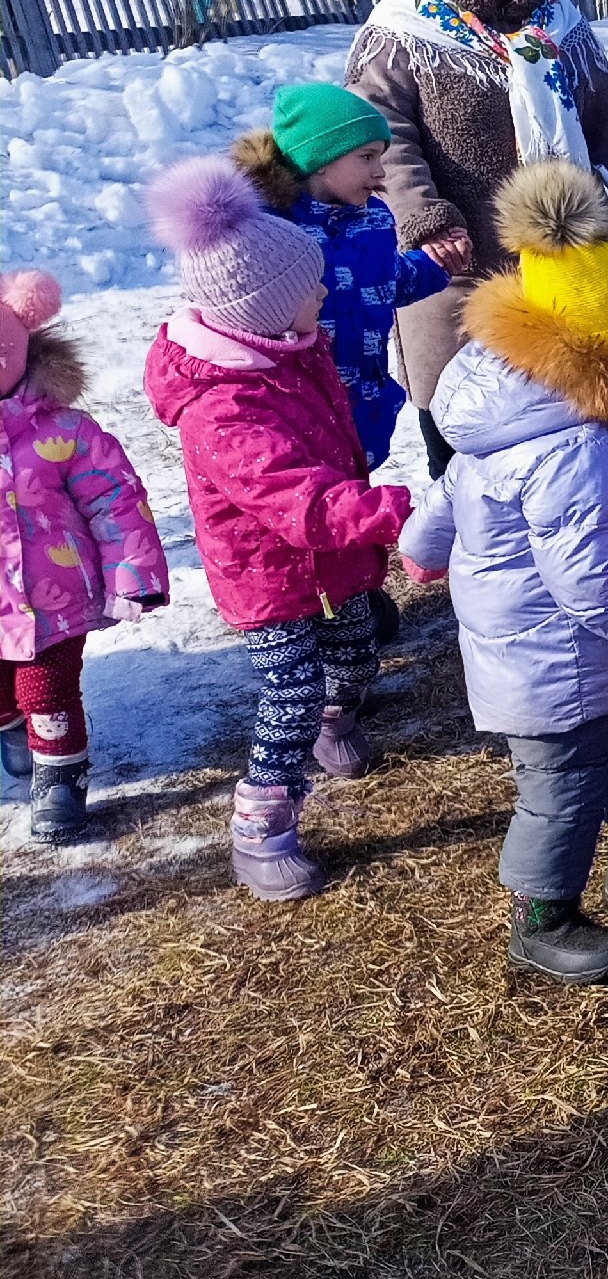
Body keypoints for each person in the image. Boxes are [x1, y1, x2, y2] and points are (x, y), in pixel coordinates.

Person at [399, 163, 608, 987]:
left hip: (606, 648)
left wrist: (424, 543)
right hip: (548, 655)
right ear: (601, 356)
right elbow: (595, 585)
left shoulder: (516, 392)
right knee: (563, 787)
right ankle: (540, 916)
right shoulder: (571, 442)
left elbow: (454, 485)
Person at [346, 0, 608, 479]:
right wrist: (425, 217)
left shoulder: (557, 25)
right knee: (458, 393)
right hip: (457, 251)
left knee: (565, 385)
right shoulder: (404, 30)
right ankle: (470, 522)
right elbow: (382, 135)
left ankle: (571, 510)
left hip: (562, 250)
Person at [144, 157, 411, 898]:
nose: (324, 295)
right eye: (310, 289)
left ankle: (338, 716)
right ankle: (262, 829)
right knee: (287, 694)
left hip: (330, 558)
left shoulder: (288, 349)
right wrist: (393, 515)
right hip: (267, 573)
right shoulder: (224, 408)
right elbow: (297, 499)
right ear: (262, 308)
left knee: (356, 652)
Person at [0, 268, 169, 843]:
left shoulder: (65, 431)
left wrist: (132, 574)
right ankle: (17, 735)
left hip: (52, 598)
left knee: (47, 690)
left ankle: (59, 777)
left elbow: (117, 500)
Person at [232, 83, 450, 469]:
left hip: (362, 403)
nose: (380, 171)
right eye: (366, 157)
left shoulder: (375, 217)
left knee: (353, 503)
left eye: (380, 157)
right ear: (320, 159)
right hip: (299, 409)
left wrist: (435, 266)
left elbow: (385, 283)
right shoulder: (272, 229)